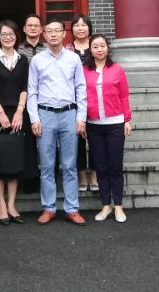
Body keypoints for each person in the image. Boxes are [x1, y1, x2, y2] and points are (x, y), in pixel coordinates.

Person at [27, 17, 88, 226]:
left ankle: (72, 208)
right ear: (44, 34)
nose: (53, 34)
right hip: (45, 114)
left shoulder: (73, 59)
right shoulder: (37, 60)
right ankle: (49, 207)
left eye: (57, 31)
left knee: (70, 164)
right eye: (49, 31)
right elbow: (32, 91)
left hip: (69, 114)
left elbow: (80, 88)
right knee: (47, 165)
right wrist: (34, 118)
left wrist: (81, 117)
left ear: (64, 34)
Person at [0, 20, 37, 225]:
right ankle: (1, 204)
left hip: (18, 114)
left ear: (16, 36)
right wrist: (1, 112)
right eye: (4, 34)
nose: (8, 37)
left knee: (15, 160)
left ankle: (12, 204)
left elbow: (25, 87)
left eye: (11, 34)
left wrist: (20, 111)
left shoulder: (22, 60)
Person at [82, 34, 132, 223]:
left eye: (102, 45)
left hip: (115, 124)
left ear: (107, 48)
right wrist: (82, 120)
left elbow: (124, 96)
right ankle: (105, 205)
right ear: (90, 50)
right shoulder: (84, 70)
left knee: (115, 166)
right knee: (101, 167)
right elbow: (81, 96)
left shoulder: (117, 69)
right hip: (94, 125)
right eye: (95, 46)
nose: (99, 49)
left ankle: (118, 205)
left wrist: (127, 119)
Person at [65, 13, 97, 193]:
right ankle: (82, 174)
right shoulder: (67, 49)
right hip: (74, 100)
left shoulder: (96, 47)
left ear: (89, 28)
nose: (80, 28)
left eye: (84, 25)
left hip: (95, 99)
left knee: (95, 139)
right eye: (76, 25)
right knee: (77, 140)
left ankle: (94, 174)